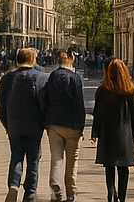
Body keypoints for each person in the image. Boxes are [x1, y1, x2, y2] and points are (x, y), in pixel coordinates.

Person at [0, 46, 49, 202]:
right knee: (33, 158)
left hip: (14, 124)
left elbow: (0, 104)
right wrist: (44, 122)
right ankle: (30, 192)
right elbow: (45, 103)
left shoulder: (8, 78)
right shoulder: (42, 78)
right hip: (34, 125)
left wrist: (7, 124)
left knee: (16, 156)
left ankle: (13, 185)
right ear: (33, 60)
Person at [91, 58, 134, 202]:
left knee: (109, 166)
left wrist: (95, 132)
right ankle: (122, 197)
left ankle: (111, 191)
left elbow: (97, 113)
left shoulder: (102, 90)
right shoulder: (128, 91)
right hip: (124, 135)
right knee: (123, 168)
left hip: (107, 134)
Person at [41, 50, 86, 202]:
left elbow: (45, 98)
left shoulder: (52, 76)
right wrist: (81, 126)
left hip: (54, 124)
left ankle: (55, 187)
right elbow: (79, 104)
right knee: (72, 161)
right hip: (73, 125)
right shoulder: (75, 78)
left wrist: (47, 120)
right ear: (72, 58)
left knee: (56, 157)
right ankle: (71, 193)